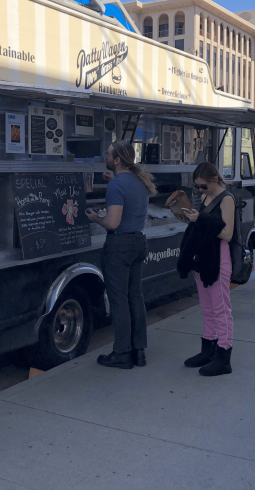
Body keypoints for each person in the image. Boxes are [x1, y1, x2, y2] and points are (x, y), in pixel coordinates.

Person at [86, 140, 156, 369]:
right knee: (135, 297)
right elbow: (127, 194)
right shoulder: (138, 181)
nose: (105, 157)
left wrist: (96, 217)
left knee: (118, 301)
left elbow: (113, 222)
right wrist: (114, 181)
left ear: (117, 160)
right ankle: (139, 352)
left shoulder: (117, 187)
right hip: (138, 242)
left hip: (120, 245)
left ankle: (122, 353)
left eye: (108, 154)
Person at [176, 162, 236, 376]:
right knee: (207, 307)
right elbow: (203, 226)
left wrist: (200, 219)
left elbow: (227, 234)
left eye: (202, 186)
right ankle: (208, 348)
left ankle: (224, 354)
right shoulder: (205, 198)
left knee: (221, 309)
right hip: (203, 257)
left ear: (213, 180)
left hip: (219, 258)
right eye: (197, 187)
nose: (199, 190)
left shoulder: (227, 199)